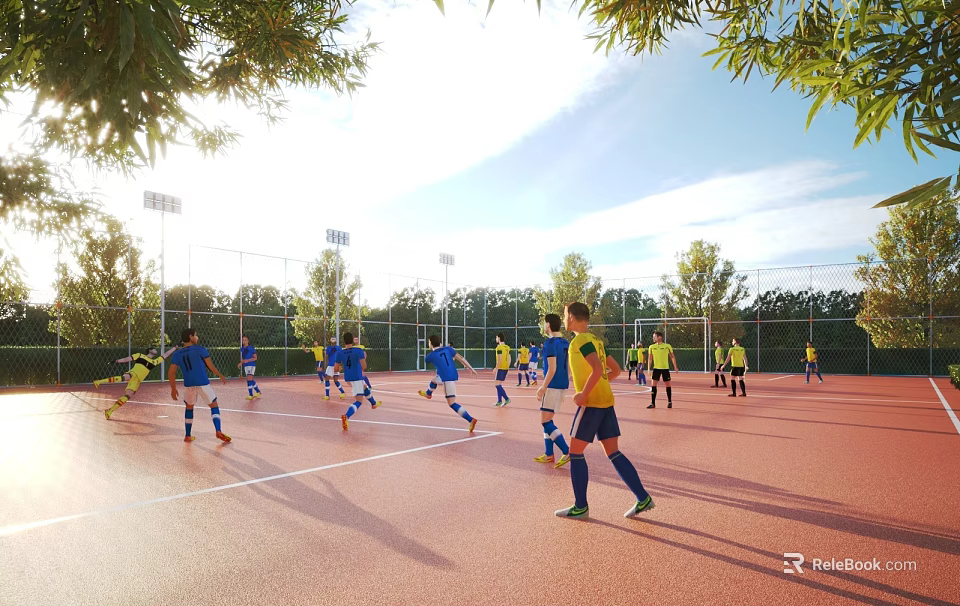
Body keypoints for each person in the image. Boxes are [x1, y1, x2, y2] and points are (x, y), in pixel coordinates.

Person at [555, 302, 655, 519]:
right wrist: (600, 384)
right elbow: (615, 370)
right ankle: (642, 498)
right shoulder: (597, 341)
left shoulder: (580, 340)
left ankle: (580, 507)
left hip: (591, 405)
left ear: (571, 316)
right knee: (613, 452)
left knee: (575, 452)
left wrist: (583, 394)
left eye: (565, 315)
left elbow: (598, 369)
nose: (564, 319)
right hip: (606, 402)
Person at [168, 328, 230, 443]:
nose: (197, 337)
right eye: (196, 335)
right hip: (202, 383)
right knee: (214, 406)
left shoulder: (177, 354)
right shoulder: (201, 349)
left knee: (189, 407)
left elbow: (171, 373)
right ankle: (218, 430)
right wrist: (220, 375)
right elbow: (210, 366)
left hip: (188, 385)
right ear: (191, 337)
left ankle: (187, 435)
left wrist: (173, 389)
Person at [97, 346, 177, 420]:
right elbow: (127, 359)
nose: (156, 350)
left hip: (138, 380)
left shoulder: (155, 361)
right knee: (124, 377)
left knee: (127, 396)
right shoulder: (140, 355)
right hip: (133, 373)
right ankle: (99, 382)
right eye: (154, 349)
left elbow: (165, 355)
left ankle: (109, 411)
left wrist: (175, 347)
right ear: (149, 350)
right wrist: (116, 361)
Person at [418, 335, 479, 432]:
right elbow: (461, 358)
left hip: (446, 379)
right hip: (452, 376)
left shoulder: (431, 356)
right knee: (434, 379)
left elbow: (428, 360)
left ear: (430, 343)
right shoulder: (448, 349)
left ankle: (471, 419)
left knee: (452, 403)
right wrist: (471, 369)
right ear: (440, 342)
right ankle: (428, 394)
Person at [534, 314, 571, 467]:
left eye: (544, 323)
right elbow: (568, 367)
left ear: (548, 325)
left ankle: (567, 451)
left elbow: (552, 368)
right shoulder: (565, 342)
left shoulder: (549, 343)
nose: (543, 326)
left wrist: (543, 387)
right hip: (563, 384)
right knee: (547, 419)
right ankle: (549, 454)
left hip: (553, 385)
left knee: (545, 421)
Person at [336, 332, 381, 430]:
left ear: (344, 341)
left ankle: (373, 403)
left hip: (348, 378)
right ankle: (346, 416)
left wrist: (341, 368)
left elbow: (336, 368)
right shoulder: (358, 351)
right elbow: (364, 366)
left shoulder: (340, 353)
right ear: (352, 339)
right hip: (356, 377)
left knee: (364, 386)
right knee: (359, 401)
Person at [646, 331, 678, 409]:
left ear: (659, 337)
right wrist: (649, 369)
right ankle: (653, 403)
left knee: (668, 385)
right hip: (656, 369)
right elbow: (650, 359)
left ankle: (669, 402)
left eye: (654, 337)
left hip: (665, 369)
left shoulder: (667, 346)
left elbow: (672, 357)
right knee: (653, 385)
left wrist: (675, 366)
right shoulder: (651, 347)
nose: (653, 338)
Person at [238, 335, 261, 400]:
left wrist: (248, 360)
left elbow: (255, 358)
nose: (244, 341)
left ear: (248, 341)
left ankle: (250, 395)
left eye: (245, 340)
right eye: (243, 340)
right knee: (250, 379)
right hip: (246, 366)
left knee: (249, 379)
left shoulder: (251, 348)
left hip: (251, 365)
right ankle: (258, 391)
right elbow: (243, 358)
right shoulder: (242, 349)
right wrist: (241, 363)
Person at [493, 334, 512, 407]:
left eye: (496, 337)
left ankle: (507, 399)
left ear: (499, 338)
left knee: (497, 384)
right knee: (499, 384)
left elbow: (500, 359)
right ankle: (499, 401)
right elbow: (509, 358)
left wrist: (496, 368)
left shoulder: (499, 348)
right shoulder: (507, 347)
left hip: (500, 367)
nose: (496, 339)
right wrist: (508, 367)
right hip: (505, 367)